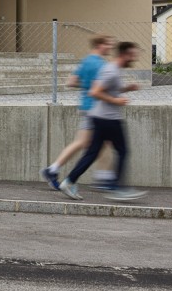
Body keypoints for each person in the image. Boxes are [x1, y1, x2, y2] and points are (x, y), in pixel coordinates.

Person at [59, 41, 148, 202]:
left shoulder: (112, 69)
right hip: (108, 118)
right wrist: (116, 101)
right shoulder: (111, 71)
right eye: (133, 55)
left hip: (100, 117)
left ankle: (68, 181)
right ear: (125, 55)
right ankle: (117, 188)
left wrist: (127, 88)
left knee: (92, 153)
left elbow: (105, 88)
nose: (134, 58)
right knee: (122, 151)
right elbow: (95, 91)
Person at [41, 33, 115, 190]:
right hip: (96, 108)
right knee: (98, 142)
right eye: (108, 44)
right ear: (99, 45)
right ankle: (104, 179)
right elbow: (100, 86)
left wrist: (87, 86)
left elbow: (71, 82)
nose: (111, 47)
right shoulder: (100, 64)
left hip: (86, 106)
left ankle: (53, 170)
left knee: (90, 142)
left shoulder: (86, 61)